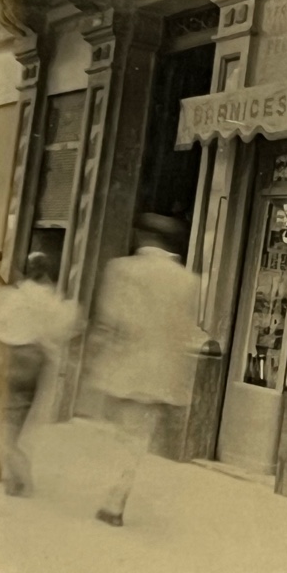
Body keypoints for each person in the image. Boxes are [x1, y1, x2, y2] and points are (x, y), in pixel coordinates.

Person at [82, 213, 207, 527]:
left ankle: (111, 500)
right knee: (135, 440)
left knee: (113, 434)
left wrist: (93, 360)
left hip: (120, 367)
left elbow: (109, 321)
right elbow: (183, 331)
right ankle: (114, 500)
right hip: (158, 375)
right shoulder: (188, 282)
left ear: (143, 237)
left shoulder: (122, 270)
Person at [0, 251, 80, 497]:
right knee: (15, 419)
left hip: (9, 355)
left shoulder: (14, 296)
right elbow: (66, 324)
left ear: (27, 270)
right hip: (35, 360)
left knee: (2, 416)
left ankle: (19, 476)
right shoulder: (51, 299)